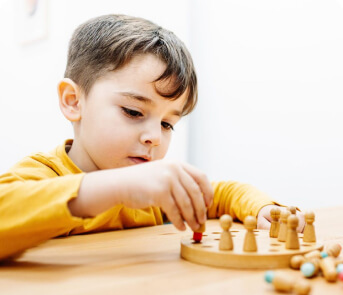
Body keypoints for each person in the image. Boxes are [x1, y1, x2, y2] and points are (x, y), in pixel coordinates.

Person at [0, 14, 304, 260]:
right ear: (73, 101)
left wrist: (263, 208)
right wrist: (119, 187)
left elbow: (220, 195)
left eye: (168, 124)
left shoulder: (148, 190)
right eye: (133, 112)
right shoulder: (45, 174)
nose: (154, 137)